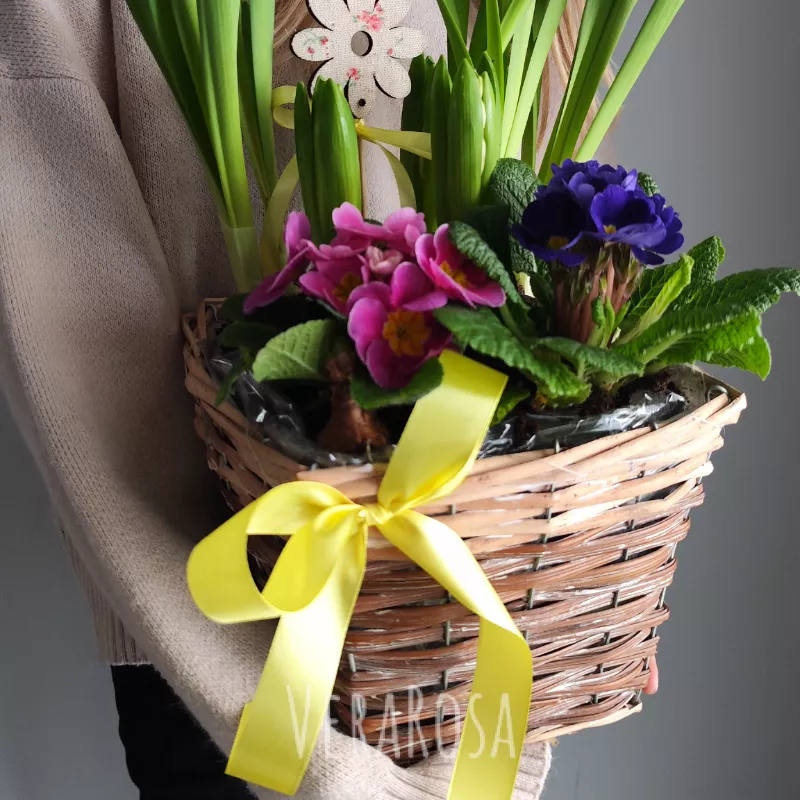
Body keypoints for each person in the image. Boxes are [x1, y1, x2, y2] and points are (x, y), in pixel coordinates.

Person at [0, 0, 654, 796]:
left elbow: (571, 251)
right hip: (222, 639)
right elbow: (76, 329)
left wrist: (588, 579)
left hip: (488, 607)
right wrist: (293, 734)